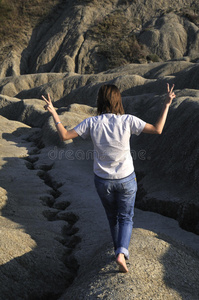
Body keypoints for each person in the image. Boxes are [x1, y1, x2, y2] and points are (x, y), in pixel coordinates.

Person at [42, 83, 175, 273]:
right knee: (126, 217)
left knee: (113, 218)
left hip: (103, 181)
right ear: (117, 101)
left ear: (100, 101)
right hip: (126, 179)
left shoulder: (92, 123)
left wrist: (54, 112)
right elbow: (157, 129)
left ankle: (117, 251)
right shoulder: (128, 120)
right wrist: (167, 104)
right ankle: (121, 253)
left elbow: (64, 136)